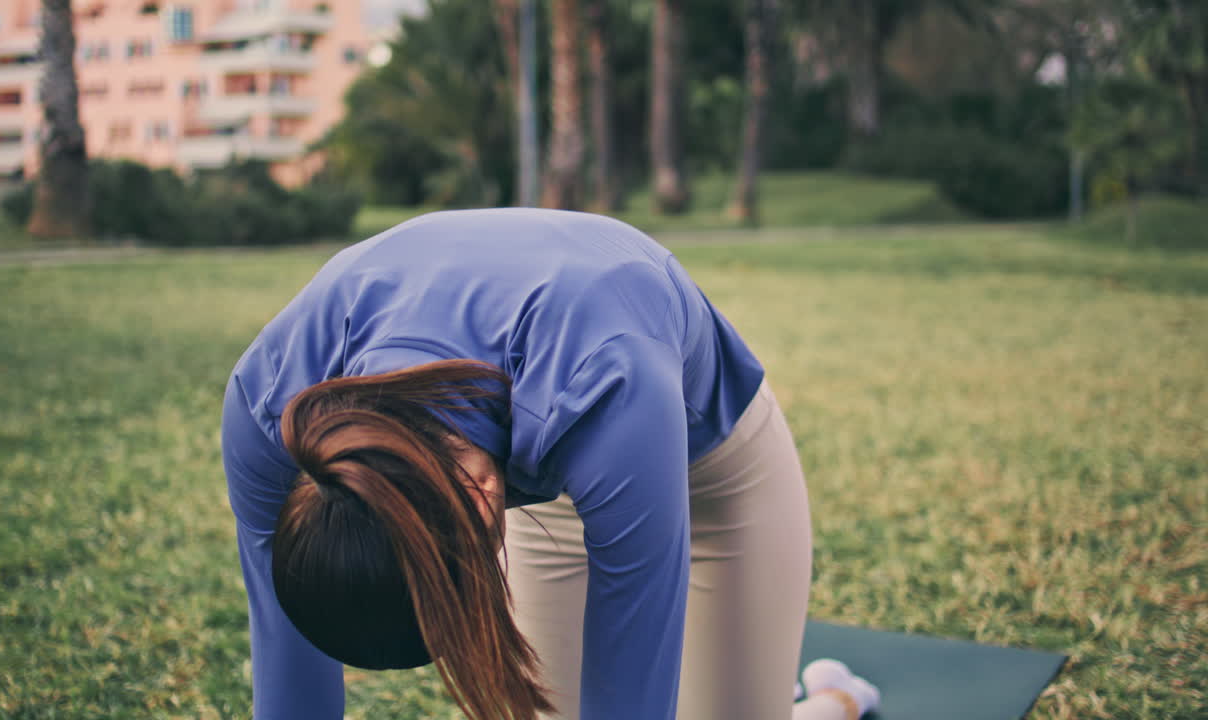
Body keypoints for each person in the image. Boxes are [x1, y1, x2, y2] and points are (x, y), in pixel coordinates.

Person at [221, 208, 880, 720]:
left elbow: (631, 698)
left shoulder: (607, 382)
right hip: (550, 456)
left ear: (483, 500)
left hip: (709, 472)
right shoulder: (264, 407)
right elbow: (289, 663)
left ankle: (833, 702)